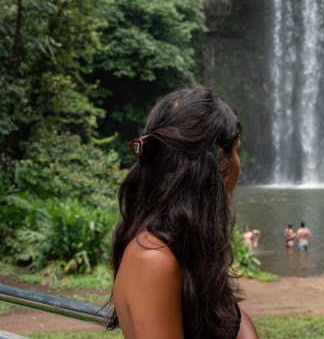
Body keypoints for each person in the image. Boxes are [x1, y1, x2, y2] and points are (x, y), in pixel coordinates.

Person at [108, 88, 259, 339]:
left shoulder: (186, 248)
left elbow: (232, 321)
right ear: (219, 160)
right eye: (236, 151)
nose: (237, 164)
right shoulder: (153, 260)